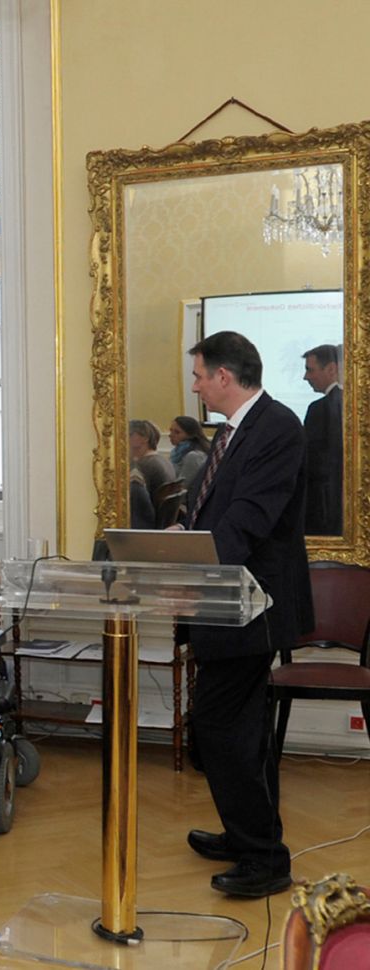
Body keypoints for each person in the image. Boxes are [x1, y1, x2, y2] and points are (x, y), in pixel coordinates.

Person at [181, 331, 312, 898]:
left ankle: (265, 857)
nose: (196, 385)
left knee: (219, 726)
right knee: (238, 729)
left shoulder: (277, 427)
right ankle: (246, 835)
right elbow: (213, 510)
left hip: (250, 606)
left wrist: (191, 561)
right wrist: (180, 538)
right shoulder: (234, 430)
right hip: (224, 601)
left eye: (199, 375)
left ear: (225, 378)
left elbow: (249, 519)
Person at [300, 343, 343, 534]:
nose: (305, 377)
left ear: (332, 369)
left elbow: (309, 461)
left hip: (322, 507)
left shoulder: (319, 409)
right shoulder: (355, 405)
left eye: (310, 370)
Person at [128, 419, 177, 495]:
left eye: (130, 434)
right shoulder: (162, 460)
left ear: (145, 438)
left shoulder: (144, 466)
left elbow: (134, 498)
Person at [168, 415, 211, 492]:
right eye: (171, 430)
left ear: (190, 435)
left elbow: (182, 486)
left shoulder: (194, 456)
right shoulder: (176, 452)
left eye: (177, 432)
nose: (170, 435)